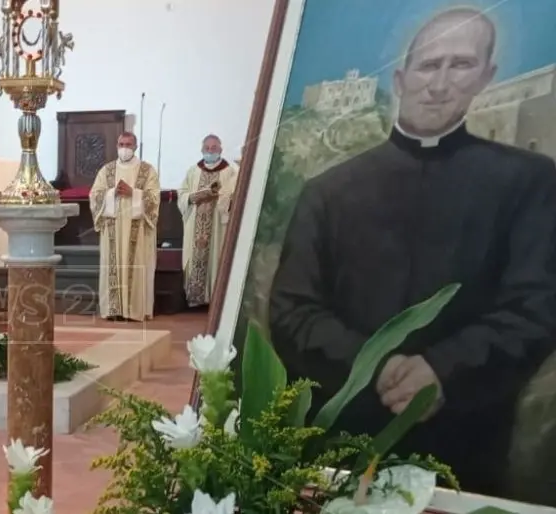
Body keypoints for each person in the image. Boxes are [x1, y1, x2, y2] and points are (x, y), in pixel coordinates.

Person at [267, 7, 556, 496]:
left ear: (485, 77)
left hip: (466, 449)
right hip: (339, 440)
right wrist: (374, 364)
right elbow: (292, 310)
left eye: (460, 65)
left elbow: (536, 308)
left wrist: (443, 368)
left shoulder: (529, 182)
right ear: (400, 79)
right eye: (428, 65)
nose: (439, 84)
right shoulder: (329, 192)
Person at [88, 131, 160, 321]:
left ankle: (135, 310)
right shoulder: (107, 170)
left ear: (135, 147)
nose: (125, 148)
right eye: (121, 144)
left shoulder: (147, 171)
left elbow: (154, 198)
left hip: (138, 228)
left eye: (128, 144)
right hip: (113, 228)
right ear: (117, 146)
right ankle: (114, 309)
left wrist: (133, 193)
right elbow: (94, 195)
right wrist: (111, 193)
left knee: (137, 267)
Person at [177, 134, 237, 308]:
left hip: (218, 226)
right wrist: (193, 197)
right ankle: (196, 299)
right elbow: (182, 194)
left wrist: (224, 199)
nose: (210, 151)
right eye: (207, 148)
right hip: (194, 224)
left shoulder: (230, 172)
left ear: (220, 150)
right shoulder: (193, 171)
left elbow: (234, 195)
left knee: (217, 259)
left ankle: (215, 299)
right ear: (202, 150)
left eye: (214, 148)